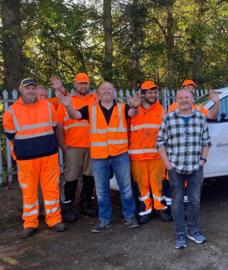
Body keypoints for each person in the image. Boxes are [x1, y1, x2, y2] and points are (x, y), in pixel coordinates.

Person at [57, 81, 141, 232]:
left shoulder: (123, 107)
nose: (106, 91)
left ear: (114, 92)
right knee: (101, 190)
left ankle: (129, 216)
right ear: (98, 93)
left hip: (120, 154)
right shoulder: (90, 109)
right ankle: (104, 219)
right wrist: (68, 105)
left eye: (109, 88)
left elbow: (132, 114)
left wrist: (135, 106)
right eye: (103, 89)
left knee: (126, 187)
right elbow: (75, 115)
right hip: (99, 156)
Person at [3, 78, 66, 238]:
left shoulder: (48, 106)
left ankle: (54, 220)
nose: (30, 91)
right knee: (28, 192)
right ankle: (30, 223)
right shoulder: (11, 112)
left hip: (49, 157)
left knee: (51, 190)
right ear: (21, 90)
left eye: (33, 88)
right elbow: (10, 137)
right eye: (27, 88)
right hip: (26, 160)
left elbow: (53, 127)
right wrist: (18, 156)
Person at [158, 89, 211, 249]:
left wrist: (202, 160)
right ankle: (180, 233)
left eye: (187, 97)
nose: (184, 100)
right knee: (177, 201)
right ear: (176, 100)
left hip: (196, 167)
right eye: (180, 97)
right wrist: (168, 165)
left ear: (192, 99)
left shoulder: (200, 117)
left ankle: (193, 231)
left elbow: (206, 141)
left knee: (195, 200)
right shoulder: (168, 118)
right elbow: (160, 142)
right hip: (175, 168)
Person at [51, 73, 97, 222]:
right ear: (75, 85)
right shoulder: (67, 100)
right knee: (71, 178)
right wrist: (63, 146)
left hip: (93, 146)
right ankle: (67, 206)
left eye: (86, 83)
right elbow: (59, 126)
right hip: (73, 146)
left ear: (89, 84)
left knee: (90, 177)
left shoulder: (95, 99)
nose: (83, 86)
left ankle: (85, 203)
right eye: (80, 83)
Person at [129, 80, 169, 224]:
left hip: (157, 156)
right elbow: (128, 115)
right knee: (141, 185)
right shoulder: (133, 110)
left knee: (158, 183)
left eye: (154, 92)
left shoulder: (161, 109)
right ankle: (146, 210)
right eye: (150, 92)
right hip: (138, 157)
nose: (153, 95)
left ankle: (160, 208)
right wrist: (133, 106)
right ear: (143, 94)